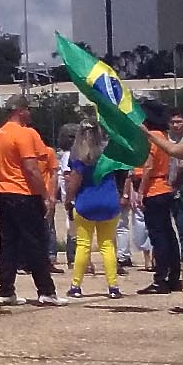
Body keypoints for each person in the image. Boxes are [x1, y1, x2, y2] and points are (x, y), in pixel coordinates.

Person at [0, 96, 59, 306]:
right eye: (28, 109)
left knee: (8, 244)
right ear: (20, 111)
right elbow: (31, 168)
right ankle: (46, 290)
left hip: (4, 193)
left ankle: (6, 290)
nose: (30, 113)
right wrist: (45, 195)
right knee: (36, 242)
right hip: (24, 193)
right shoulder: (24, 134)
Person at [138, 108, 183, 295]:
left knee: (158, 236)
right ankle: (173, 276)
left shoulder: (152, 138)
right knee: (169, 235)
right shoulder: (163, 137)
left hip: (154, 189)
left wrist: (140, 191)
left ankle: (160, 278)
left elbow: (148, 166)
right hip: (166, 188)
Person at [63, 126, 125, 298]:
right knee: (107, 245)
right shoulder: (108, 155)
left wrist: (68, 200)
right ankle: (113, 287)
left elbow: (74, 182)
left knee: (83, 245)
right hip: (109, 201)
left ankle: (76, 286)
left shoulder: (79, 158)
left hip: (87, 202)